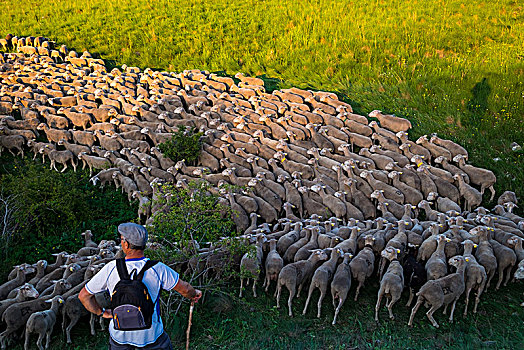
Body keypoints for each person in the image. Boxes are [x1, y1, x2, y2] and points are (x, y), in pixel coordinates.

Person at [79, 222, 202, 350]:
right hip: (151, 336)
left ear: (126, 244)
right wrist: (194, 294)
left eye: (121, 240)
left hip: (120, 338)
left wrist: (102, 312)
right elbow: (186, 289)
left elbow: (84, 296)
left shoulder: (111, 268)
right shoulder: (158, 268)